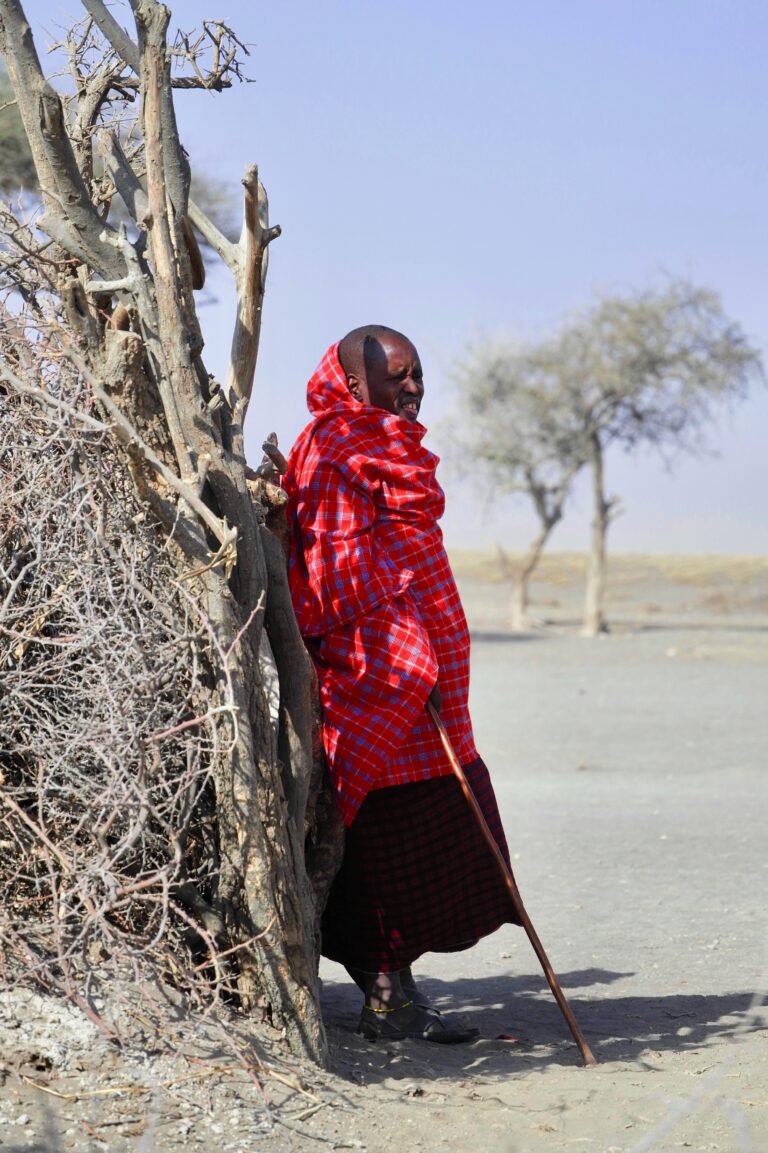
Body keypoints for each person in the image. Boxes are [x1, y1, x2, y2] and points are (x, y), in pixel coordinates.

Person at [284, 325, 520, 1043]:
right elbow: (338, 582)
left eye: (419, 374)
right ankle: (388, 997)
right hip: (382, 687)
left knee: (443, 833)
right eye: (399, 377)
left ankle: (400, 994)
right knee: (379, 846)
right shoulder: (332, 452)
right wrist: (411, 669)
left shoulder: (388, 447)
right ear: (355, 385)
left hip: (433, 699)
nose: (414, 388)